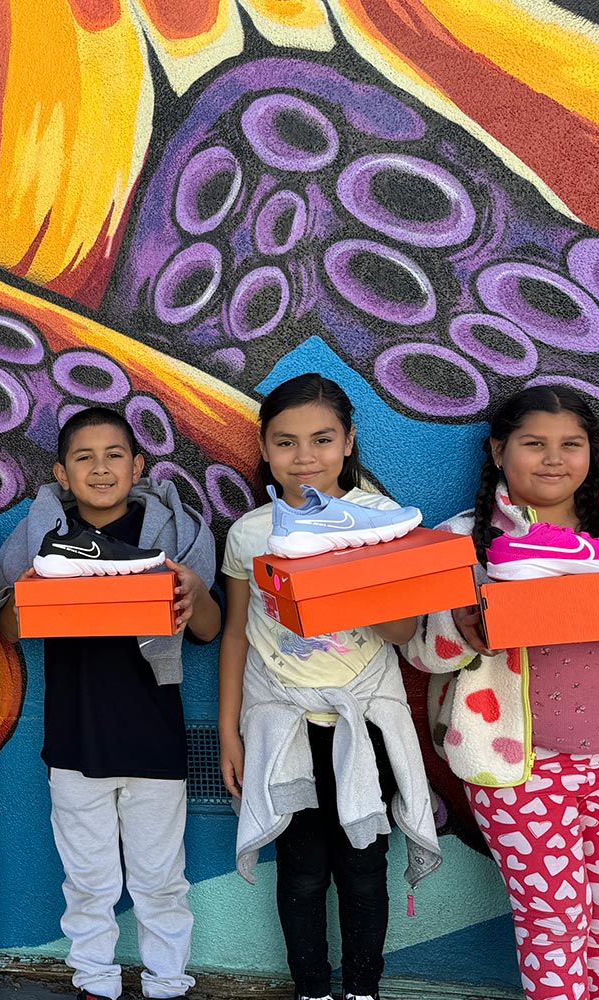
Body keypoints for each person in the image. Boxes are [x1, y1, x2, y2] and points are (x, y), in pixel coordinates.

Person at [406, 385, 599, 1000]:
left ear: (591, 453)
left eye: (570, 445)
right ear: (499, 451)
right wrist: (464, 631)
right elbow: (420, 651)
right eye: (534, 444)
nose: (553, 458)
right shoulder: (460, 542)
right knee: (552, 928)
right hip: (519, 771)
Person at [217, 373, 440, 1000]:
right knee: (302, 872)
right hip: (284, 724)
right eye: (285, 442)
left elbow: (401, 631)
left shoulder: (383, 522)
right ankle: (312, 989)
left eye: (321, 440)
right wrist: (230, 734)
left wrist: (341, 560)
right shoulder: (250, 533)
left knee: (366, 870)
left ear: (348, 442)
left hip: (364, 723)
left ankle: (364, 989)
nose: (305, 457)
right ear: (263, 448)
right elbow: (236, 634)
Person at [0, 406, 221, 1000]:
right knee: (88, 880)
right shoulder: (46, 540)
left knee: (160, 879)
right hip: (75, 741)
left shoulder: (169, 536)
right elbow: (10, 630)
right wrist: (28, 591)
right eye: (83, 458)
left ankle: (169, 983)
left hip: (154, 740)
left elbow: (209, 629)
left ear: (138, 466)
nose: (100, 468)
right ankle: (94, 983)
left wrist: (193, 595)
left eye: (114, 454)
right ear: (61, 474)